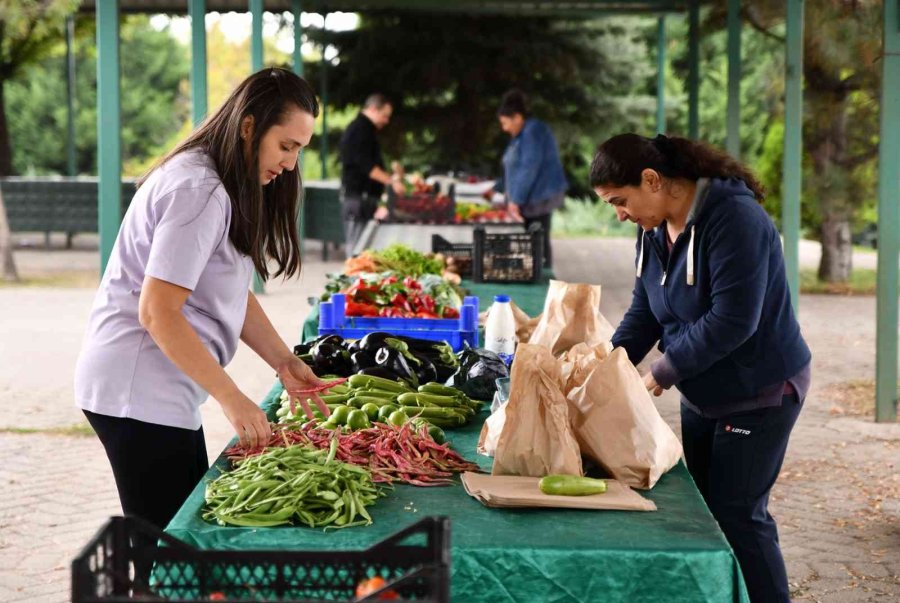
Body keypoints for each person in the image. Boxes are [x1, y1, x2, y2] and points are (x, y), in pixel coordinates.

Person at [74, 68, 331, 537]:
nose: (291, 164)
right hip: (137, 390)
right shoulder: (200, 190)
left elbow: (229, 290)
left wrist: (284, 363)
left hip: (161, 392)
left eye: (299, 150)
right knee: (171, 556)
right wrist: (232, 398)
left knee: (185, 542)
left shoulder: (220, 181)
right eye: (287, 146)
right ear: (249, 126)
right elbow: (157, 310)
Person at [590, 133, 811, 603]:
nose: (620, 214)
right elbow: (645, 311)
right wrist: (607, 364)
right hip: (704, 393)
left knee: (740, 516)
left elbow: (734, 320)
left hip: (760, 390)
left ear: (652, 180)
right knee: (708, 517)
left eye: (620, 201)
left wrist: (662, 371)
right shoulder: (651, 230)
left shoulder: (736, 219)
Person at [491, 89, 568, 269]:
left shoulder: (533, 131)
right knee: (533, 241)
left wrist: (515, 200)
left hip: (539, 197)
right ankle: (532, 272)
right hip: (530, 197)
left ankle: (542, 278)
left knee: (538, 241)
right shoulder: (521, 134)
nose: (504, 128)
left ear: (517, 117)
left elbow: (528, 167)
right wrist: (497, 188)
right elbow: (513, 166)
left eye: (505, 123)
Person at [338, 93, 405, 254]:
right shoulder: (360, 130)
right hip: (358, 200)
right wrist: (392, 182)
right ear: (373, 109)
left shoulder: (364, 130)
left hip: (362, 200)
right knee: (357, 251)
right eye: (384, 116)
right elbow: (367, 167)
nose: (386, 121)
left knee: (362, 251)